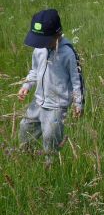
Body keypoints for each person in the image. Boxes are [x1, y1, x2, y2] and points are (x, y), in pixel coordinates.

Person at [18, 9, 84, 160]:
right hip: (38, 101)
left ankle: (50, 165)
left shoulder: (68, 54)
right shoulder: (39, 50)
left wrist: (78, 103)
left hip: (56, 106)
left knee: (50, 137)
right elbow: (34, 70)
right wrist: (26, 85)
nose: (40, 45)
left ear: (57, 35)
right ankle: (27, 161)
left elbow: (77, 80)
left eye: (44, 41)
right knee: (24, 128)